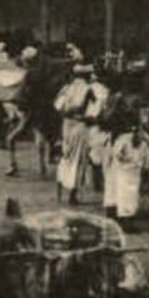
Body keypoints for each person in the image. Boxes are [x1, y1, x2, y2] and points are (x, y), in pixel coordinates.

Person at [103, 103, 149, 223]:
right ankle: (124, 218)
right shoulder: (128, 134)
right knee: (126, 188)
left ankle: (114, 212)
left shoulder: (122, 132)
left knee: (115, 185)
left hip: (119, 153)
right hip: (124, 158)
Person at [54, 63, 96, 204]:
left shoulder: (66, 88)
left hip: (66, 124)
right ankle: (73, 193)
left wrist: (67, 114)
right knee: (78, 158)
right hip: (79, 125)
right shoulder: (89, 89)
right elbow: (93, 109)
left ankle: (60, 188)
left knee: (66, 155)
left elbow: (58, 107)